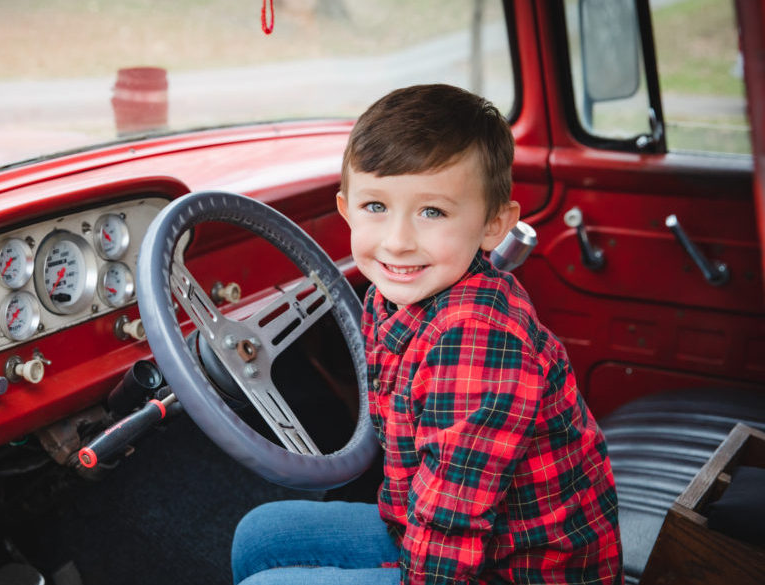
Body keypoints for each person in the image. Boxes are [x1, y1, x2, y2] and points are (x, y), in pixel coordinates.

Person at [231, 84, 622, 585]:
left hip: (514, 569)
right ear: (346, 209)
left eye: (431, 212)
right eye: (376, 207)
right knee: (261, 535)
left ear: (492, 225)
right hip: (425, 521)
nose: (397, 241)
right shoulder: (394, 293)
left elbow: (452, 528)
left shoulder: (476, 343)